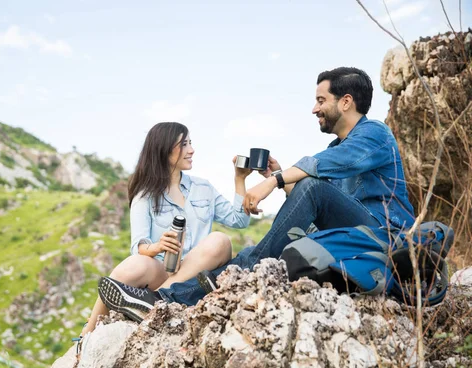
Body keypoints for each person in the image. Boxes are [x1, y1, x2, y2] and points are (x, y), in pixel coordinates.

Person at [98, 67, 416, 316]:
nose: (314, 108)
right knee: (254, 253)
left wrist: (270, 183)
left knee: (299, 202)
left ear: (345, 101)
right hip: (351, 238)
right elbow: (315, 202)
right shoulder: (338, 146)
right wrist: (277, 175)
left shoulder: (374, 133)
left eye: (321, 100)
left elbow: (316, 176)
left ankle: (166, 299)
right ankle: (175, 296)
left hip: (384, 235)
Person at [79, 121, 252, 340]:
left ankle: (155, 299)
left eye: (190, 143)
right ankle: (88, 331)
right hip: (163, 272)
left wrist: (240, 179)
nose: (191, 150)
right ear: (164, 149)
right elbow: (138, 246)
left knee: (219, 240)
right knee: (132, 264)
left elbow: (239, 220)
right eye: (184, 144)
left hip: (196, 274)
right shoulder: (145, 195)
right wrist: (158, 246)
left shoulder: (203, 188)